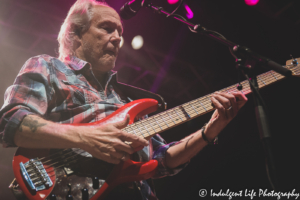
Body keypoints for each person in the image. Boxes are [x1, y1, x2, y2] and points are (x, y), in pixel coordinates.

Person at [0, 0, 248, 199]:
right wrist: (87, 138)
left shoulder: (128, 99)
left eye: (120, 31)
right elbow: (12, 122)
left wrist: (210, 129)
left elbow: (161, 159)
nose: (118, 37)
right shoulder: (48, 66)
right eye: (107, 28)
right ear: (76, 33)